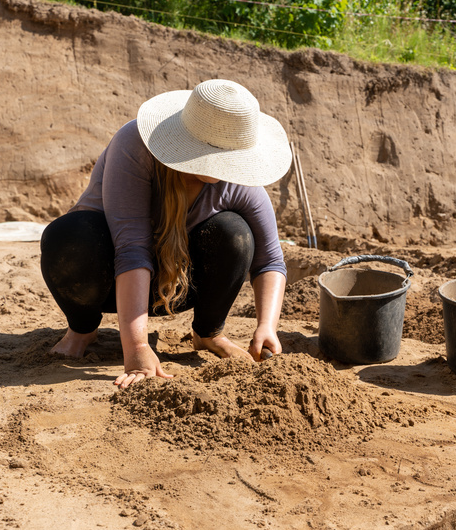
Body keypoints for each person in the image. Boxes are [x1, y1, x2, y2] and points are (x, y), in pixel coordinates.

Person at [40, 79, 292, 389]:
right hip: (108, 281)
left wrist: (267, 326)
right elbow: (131, 248)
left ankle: (208, 333)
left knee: (235, 234)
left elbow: (270, 260)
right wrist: (137, 349)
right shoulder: (133, 146)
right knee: (70, 236)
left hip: (177, 290)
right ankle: (82, 329)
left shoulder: (237, 179)